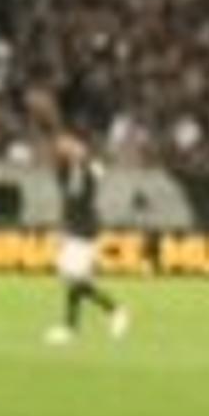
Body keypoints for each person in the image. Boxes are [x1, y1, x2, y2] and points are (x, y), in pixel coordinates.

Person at [44, 127, 131, 345]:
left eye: (70, 144)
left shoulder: (88, 169)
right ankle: (76, 325)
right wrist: (62, 228)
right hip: (74, 228)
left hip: (85, 229)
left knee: (72, 276)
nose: (65, 147)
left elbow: (93, 177)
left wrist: (83, 158)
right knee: (73, 278)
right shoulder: (65, 170)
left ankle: (113, 311)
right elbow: (68, 196)